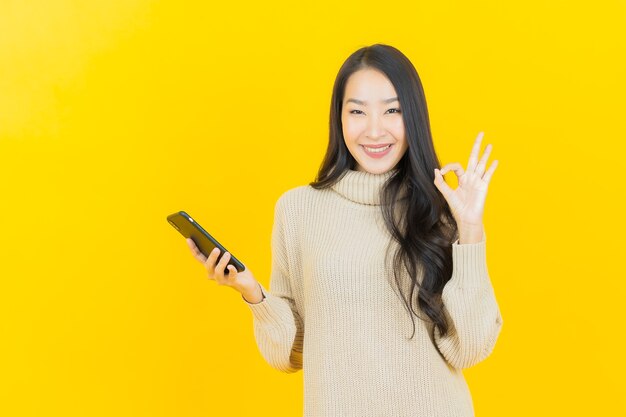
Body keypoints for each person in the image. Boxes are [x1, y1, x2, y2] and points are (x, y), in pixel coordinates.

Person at [186, 43, 503, 417]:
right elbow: (290, 354)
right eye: (357, 111)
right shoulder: (298, 210)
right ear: (339, 118)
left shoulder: (439, 210)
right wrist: (253, 293)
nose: (374, 130)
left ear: (413, 117)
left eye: (392, 110)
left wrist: (469, 229)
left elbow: (470, 347)